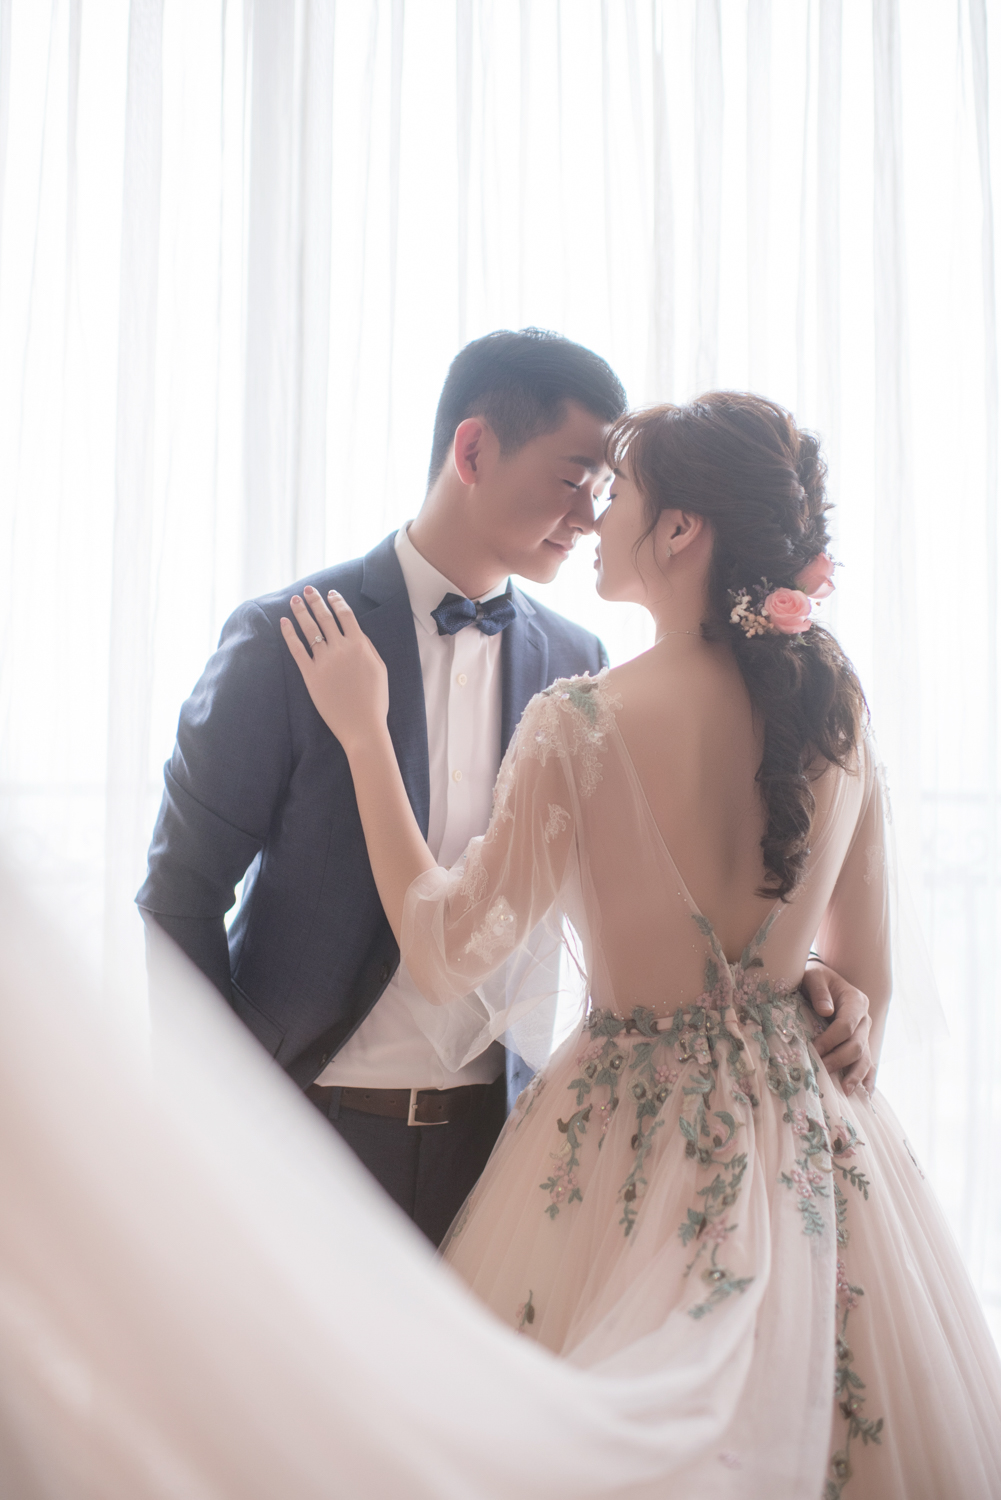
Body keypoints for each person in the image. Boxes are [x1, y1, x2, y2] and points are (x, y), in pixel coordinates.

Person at [279, 392, 1001, 1496]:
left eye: (617, 494)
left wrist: (364, 732)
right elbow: (870, 982)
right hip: (813, 1141)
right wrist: (823, 989)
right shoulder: (835, 700)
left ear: (678, 531)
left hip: (621, 1137)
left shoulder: (581, 723)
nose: (595, 517)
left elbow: (442, 950)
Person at [137, 329, 870, 1246]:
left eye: (608, 490)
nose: (591, 515)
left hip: (496, 1144)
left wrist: (788, 978)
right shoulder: (289, 637)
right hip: (298, 1127)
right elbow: (180, 891)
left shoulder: (581, 664)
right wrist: (211, 1104)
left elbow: (644, 891)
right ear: (475, 450)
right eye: (574, 478)